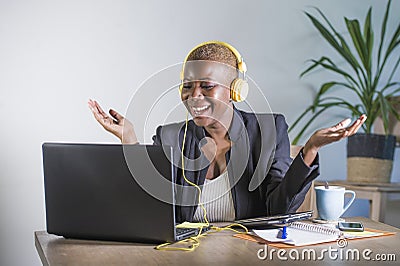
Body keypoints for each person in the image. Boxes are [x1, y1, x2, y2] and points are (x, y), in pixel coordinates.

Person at [88, 41, 366, 223]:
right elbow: (151, 210)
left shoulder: (268, 131)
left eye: (207, 86)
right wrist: (129, 140)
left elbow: (278, 209)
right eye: (187, 86)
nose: (194, 96)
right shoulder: (170, 136)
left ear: (235, 91)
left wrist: (310, 150)